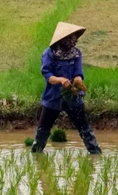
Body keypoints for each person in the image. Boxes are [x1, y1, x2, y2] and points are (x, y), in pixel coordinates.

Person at [31, 22, 101, 155]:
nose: (72, 41)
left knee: (85, 128)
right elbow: (48, 75)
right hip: (53, 97)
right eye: (69, 38)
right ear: (62, 39)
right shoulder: (49, 54)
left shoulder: (76, 54)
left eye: (74, 38)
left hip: (72, 96)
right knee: (43, 130)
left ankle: (95, 153)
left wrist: (78, 81)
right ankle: (36, 155)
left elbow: (78, 73)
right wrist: (60, 80)